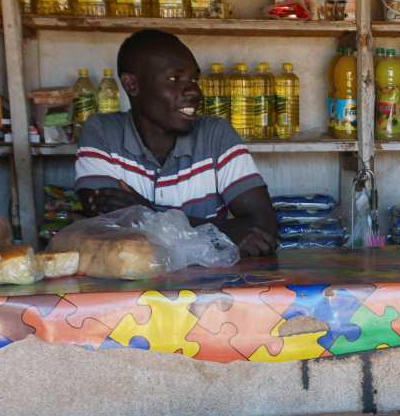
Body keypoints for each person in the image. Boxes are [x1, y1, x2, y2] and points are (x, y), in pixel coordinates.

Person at [75, 29, 278, 256]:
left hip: (209, 289)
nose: (194, 91)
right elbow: (106, 231)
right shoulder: (103, 133)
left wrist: (145, 213)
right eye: (175, 79)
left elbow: (263, 231)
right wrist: (224, 232)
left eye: (194, 79)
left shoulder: (215, 135)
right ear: (132, 84)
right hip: (130, 289)